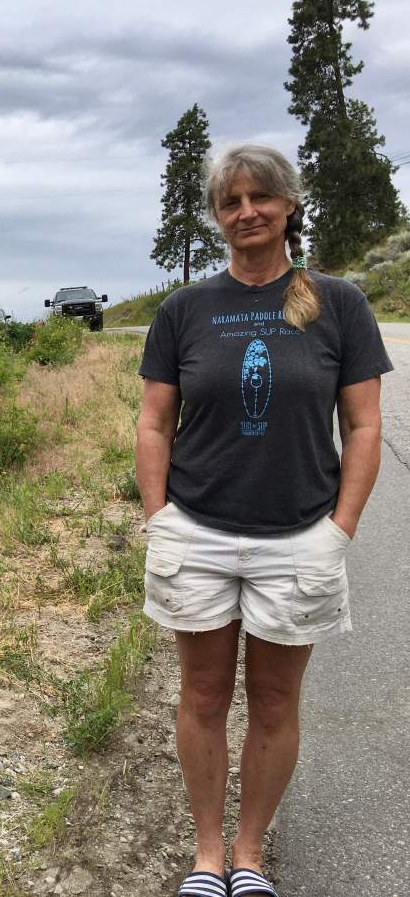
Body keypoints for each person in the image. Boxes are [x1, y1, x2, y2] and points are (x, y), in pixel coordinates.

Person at [135, 144, 392, 897]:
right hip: (199, 532)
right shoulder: (185, 310)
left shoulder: (338, 303)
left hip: (300, 536)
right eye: (230, 202)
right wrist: (161, 520)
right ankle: (208, 856)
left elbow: (366, 426)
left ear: (287, 205)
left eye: (260, 198)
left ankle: (250, 854)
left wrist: (339, 530)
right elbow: (154, 423)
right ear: (217, 217)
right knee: (203, 696)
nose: (246, 212)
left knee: (277, 701)